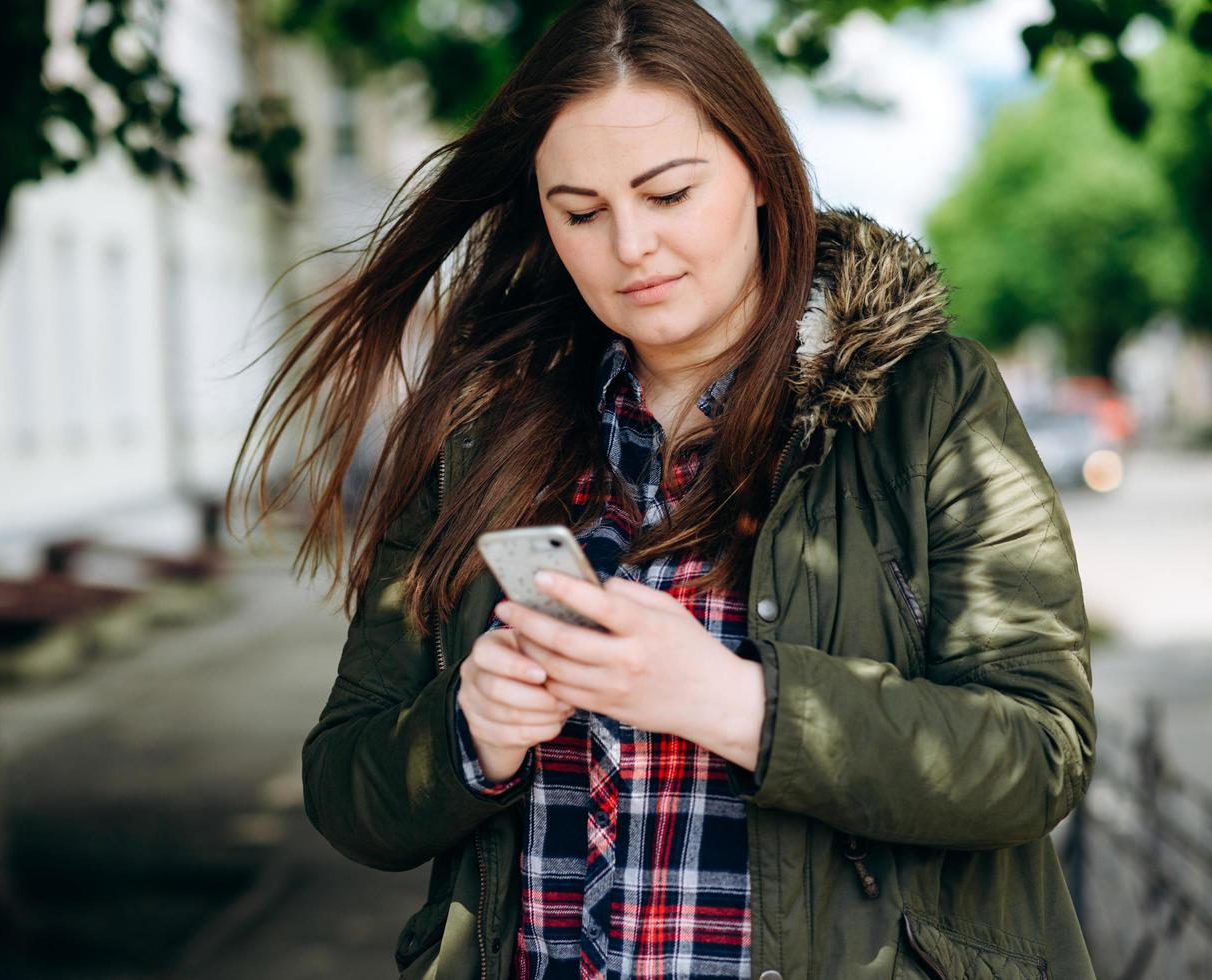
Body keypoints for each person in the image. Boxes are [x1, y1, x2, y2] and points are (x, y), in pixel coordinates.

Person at [229, 0, 1097, 976]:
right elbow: (346, 784)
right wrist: (468, 729)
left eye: (668, 193)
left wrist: (737, 701)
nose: (629, 245)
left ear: (763, 176)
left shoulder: (926, 403)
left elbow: (1037, 749)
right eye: (581, 212)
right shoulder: (486, 437)